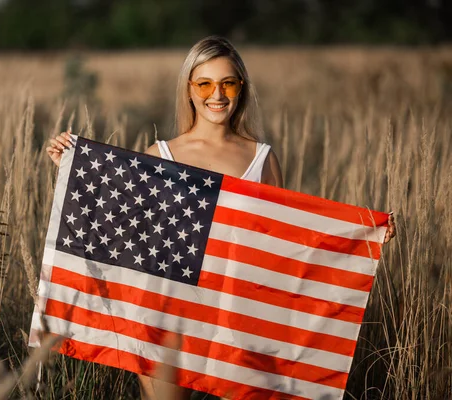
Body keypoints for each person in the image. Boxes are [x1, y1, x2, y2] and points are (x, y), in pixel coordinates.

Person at [46, 36, 396, 400]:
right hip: (170, 316)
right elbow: (125, 228)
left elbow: (288, 247)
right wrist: (74, 172)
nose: (218, 95)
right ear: (190, 89)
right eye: (205, 84)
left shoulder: (262, 159)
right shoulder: (162, 155)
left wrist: (362, 239)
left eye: (228, 83)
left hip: (239, 323)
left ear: (241, 88)